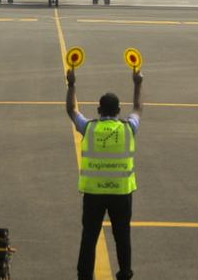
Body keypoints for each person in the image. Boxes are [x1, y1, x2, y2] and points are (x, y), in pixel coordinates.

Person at [65, 67, 143, 280]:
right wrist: (137, 83)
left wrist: (71, 84)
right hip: (121, 193)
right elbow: (137, 108)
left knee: (89, 237)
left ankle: (84, 276)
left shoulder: (89, 127)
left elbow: (71, 110)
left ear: (99, 110)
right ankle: (125, 273)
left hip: (94, 193)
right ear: (118, 110)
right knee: (122, 236)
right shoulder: (129, 128)